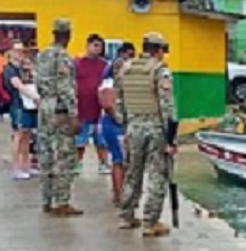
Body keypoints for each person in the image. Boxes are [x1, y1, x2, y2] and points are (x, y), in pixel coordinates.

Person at [117, 32, 178, 237]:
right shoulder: (160, 71)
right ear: (158, 50)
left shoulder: (125, 68)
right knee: (157, 174)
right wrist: (171, 139)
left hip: (133, 127)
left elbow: (119, 102)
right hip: (155, 128)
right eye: (162, 51)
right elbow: (167, 107)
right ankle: (150, 222)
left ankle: (126, 216)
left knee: (132, 172)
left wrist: (126, 125)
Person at [36, 18, 83, 217]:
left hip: (44, 105)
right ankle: (61, 201)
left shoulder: (42, 55)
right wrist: (73, 116)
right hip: (59, 108)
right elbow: (65, 88)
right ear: (67, 35)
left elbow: (38, 82)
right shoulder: (63, 57)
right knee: (64, 155)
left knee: (46, 153)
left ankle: (47, 199)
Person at [99, 42, 136, 206]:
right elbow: (107, 105)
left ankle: (120, 194)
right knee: (120, 161)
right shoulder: (109, 84)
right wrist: (120, 119)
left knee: (121, 160)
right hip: (114, 125)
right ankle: (120, 195)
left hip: (114, 124)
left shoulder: (115, 84)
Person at [3, 42, 40, 179]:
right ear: (10, 52)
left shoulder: (24, 68)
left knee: (27, 135)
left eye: (21, 50)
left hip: (30, 106)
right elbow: (18, 85)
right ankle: (16, 168)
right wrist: (36, 97)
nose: (19, 53)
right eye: (16, 50)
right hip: (18, 105)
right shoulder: (9, 69)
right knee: (18, 135)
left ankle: (27, 165)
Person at [75, 33, 109, 174]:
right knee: (79, 140)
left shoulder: (105, 65)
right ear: (88, 46)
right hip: (81, 108)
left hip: (99, 109)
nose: (97, 49)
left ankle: (103, 163)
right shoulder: (77, 63)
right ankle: (77, 164)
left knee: (101, 139)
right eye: (95, 45)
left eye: (100, 46)